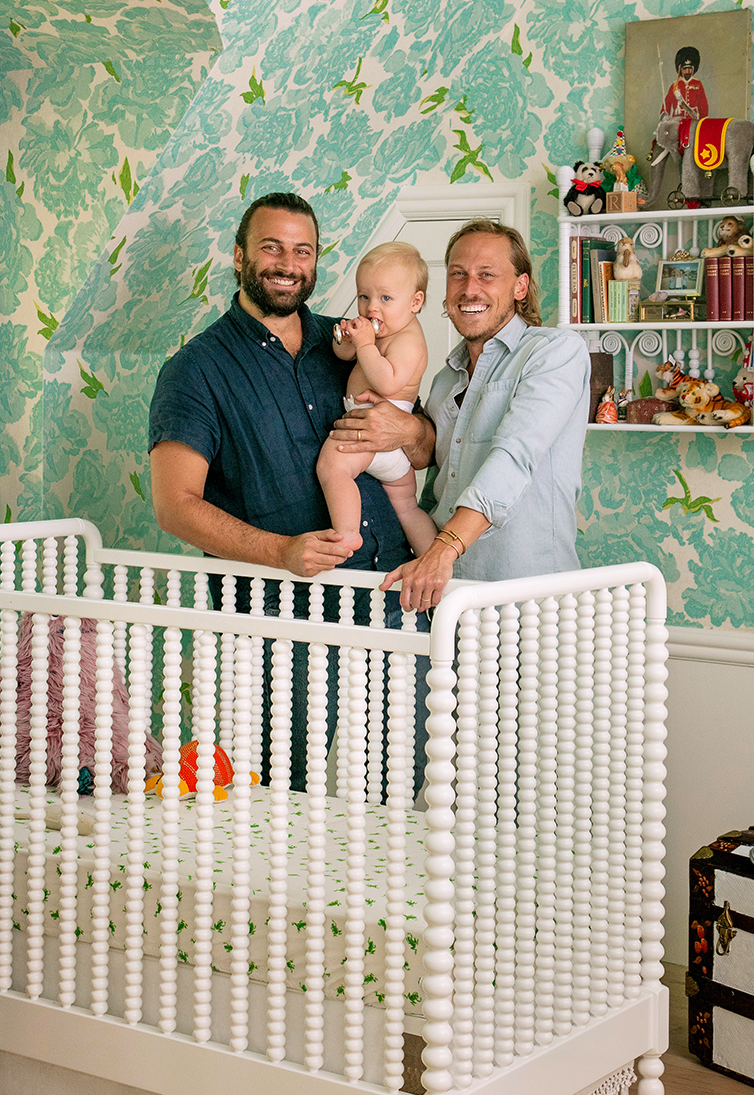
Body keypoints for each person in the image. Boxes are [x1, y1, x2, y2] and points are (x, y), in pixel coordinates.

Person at [148, 192, 417, 790]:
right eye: (271, 247)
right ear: (240, 255)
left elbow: (419, 445)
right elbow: (174, 505)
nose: (287, 263)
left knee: (406, 786)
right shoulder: (196, 369)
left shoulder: (351, 340)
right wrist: (281, 553)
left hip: (393, 592)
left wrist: (409, 428)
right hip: (278, 612)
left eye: (303, 250)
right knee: (283, 790)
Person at [332, 218, 591, 616]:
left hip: (528, 597)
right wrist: (398, 427)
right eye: (458, 275)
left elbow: (513, 457)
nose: (470, 289)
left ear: (520, 286)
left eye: (487, 275)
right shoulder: (442, 377)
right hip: (445, 595)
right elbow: (427, 459)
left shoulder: (555, 353)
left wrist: (444, 549)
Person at [316, 242, 436, 557]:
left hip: (380, 434)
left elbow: (387, 380)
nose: (372, 308)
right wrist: (345, 338)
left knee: (332, 467)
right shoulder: (378, 332)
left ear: (415, 301)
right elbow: (344, 354)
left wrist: (366, 344)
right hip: (382, 444)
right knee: (406, 508)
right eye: (364, 297)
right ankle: (432, 562)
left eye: (385, 298)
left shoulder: (409, 340)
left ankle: (347, 534)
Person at [660, 45, 709, 155]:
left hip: (693, 122)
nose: (687, 71)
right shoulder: (675, 86)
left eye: (689, 68)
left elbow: (703, 105)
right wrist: (665, 115)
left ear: (693, 69)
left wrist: (703, 121)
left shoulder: (698, 84)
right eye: (684, 69)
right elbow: (667, 103)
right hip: (678, 124)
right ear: (680, 70)